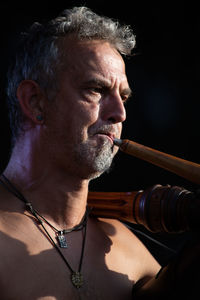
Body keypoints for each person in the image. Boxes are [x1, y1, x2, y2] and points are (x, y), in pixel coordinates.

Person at [0, 7, 160, 299]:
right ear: (35, 101)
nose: (119, 113)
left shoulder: (130, 253)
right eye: (96, 89)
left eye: (123, 97)